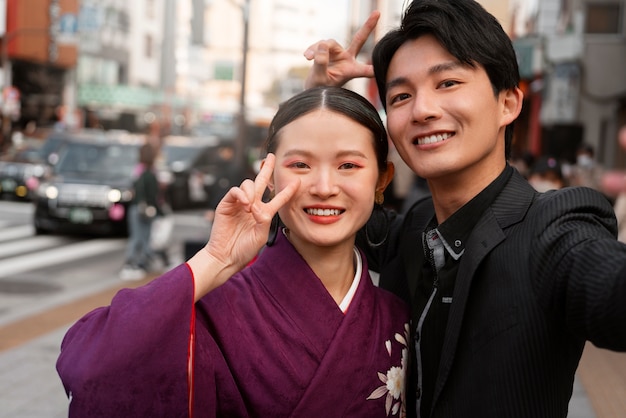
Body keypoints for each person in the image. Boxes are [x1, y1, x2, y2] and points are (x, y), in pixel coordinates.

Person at [304, 1, 626, 417]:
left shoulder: (554, 228)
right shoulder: (416, 227)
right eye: (401, 96)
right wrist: (317, 100)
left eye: (448, 83)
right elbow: (313, 204)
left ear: (508, 104)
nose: (422, 110)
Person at [56, 86, 411, 417]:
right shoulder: (215, 307)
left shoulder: (397, 316)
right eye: (300, 165)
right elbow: (94, 370)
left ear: (382, 178)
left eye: (348, 165)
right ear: (269, 176)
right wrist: (215, 260)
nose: (323, 187)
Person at [119, 143, 165, 280]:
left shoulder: (137, 170)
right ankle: (135, 263)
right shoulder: (151, 173)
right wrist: (160, 210)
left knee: (139, 236)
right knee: (143, 236)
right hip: (146, 208)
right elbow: (153, 195)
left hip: (136, 207)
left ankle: (137, 262)